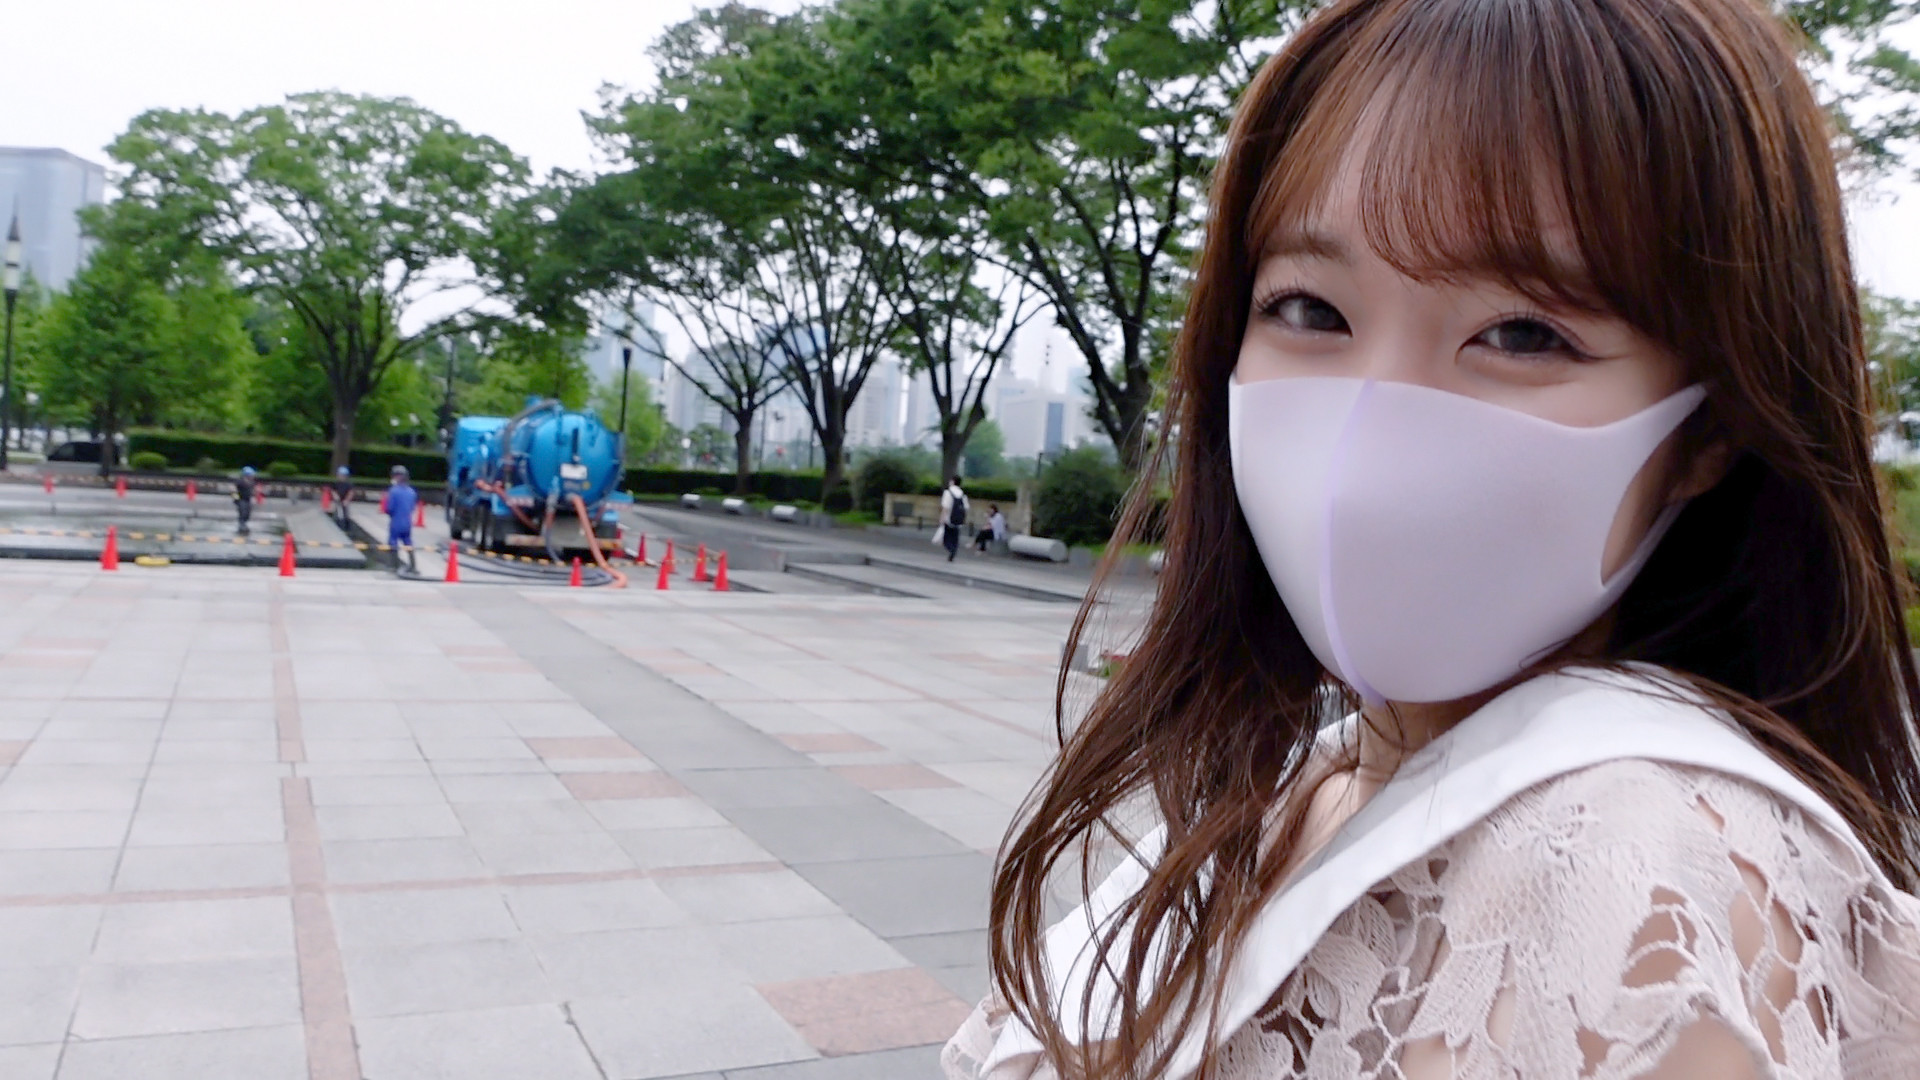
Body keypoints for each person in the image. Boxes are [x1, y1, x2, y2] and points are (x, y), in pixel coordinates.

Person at [943, 1, 1920, 1078]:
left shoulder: (1634, 869)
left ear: (1713, 428)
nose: (1373, 444)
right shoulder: (1322, 772)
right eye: (1309, 310)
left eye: (1523, 333)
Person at [383, 465, 418, 563]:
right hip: (407, 522)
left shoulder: (393, 491)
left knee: (393, 541)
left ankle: (395, 565)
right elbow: (412, 507)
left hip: (396, 521)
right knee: (408, 542)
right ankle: (412, 564)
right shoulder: (411, 492)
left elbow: (389, 508)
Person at [939, 475, 968, 562]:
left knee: (946, 539)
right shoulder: (962, 494)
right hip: (958, 520)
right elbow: (966, 508)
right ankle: (954, 550)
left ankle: (951, 550)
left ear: (952, 481)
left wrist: (942, 518)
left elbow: (945, 507)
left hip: (949, 519)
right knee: (955, 538)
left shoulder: (948, 492)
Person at [232, 466, 256, 536]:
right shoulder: (240, 482)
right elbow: (233, 489)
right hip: (241, 499)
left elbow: (252, 491)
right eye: (251, 475)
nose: (252, 476)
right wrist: (236, 498)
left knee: (248, 512)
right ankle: (241, 525)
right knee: (242, 512)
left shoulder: (252, 482)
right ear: (247, 475)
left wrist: (253, 498)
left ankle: (244, 523)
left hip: (248, 499)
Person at [330, 466, 354, 530]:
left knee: (345, 512)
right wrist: (335, 495)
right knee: (337, 512)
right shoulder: (336, 483)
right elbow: (333, 490)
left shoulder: (348, 484)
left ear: (346, 476)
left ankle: (346, 525)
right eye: (340, 475)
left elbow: (350, 492)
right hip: (338, 500)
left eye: (343, 475)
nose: (341, 477)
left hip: (345, 500)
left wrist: (347, 500)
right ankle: (336, 523)